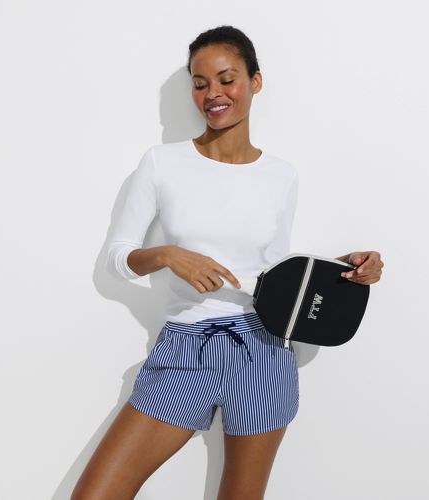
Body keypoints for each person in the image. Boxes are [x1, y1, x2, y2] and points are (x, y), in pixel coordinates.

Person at [72, 25, 384, 500]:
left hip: (263, 350)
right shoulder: (162, 163)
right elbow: (117, 259)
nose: (212, 94)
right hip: (185, 350)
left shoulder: (281, 175)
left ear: (255, 81)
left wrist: (347, 268)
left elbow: (270, 270)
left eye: (226, 79)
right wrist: (168, 255)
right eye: (200, 84)